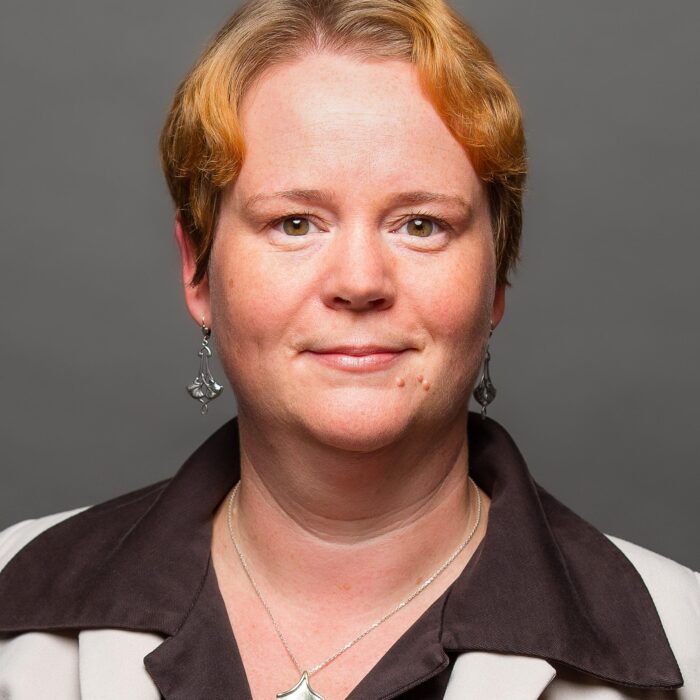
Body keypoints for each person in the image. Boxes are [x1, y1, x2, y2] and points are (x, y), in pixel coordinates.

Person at [0, 0, 698, 697]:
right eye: (294, 223)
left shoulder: (685, 640)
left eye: (420, 225)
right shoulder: (15, 602)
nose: (360, 282)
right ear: (198, 271)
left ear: (497, 276)